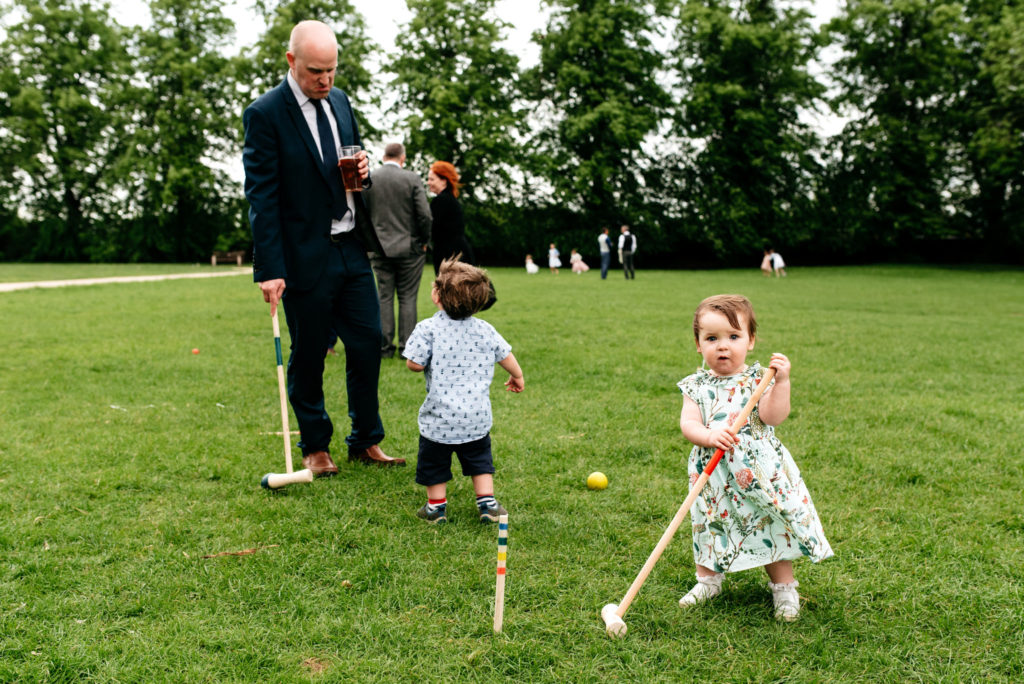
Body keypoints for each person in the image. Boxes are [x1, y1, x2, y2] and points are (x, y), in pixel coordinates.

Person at [243, 20, 404, 474]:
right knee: (311, 351)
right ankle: (316, 445)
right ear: (291, 61)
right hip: (303, 256)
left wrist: (363, 171)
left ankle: (366, 440)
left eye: (332, 70)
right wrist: (269, 267)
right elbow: (262, 196)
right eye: (316, 71)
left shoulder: (340, 101)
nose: (326, 80)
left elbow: (348, 165)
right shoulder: (265, 114)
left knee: (369, 342)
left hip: (350, 246)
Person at [676, 294, 832, 621]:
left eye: (733, 337)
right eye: (712, 338)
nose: (723, 346)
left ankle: (784, 589)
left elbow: (773, 417)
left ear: (750, 341)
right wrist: (708, 436)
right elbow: (688, 423)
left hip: (758, 473)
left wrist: (782, 381)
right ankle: (708, 581)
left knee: (768, 524)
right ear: (698, 343)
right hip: (713, 475)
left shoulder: (758, 381)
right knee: (709, 524)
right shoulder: (696, 385)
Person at [403, 258, 524, 524]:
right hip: (476, 418)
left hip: (439, 419)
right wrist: (517, 375)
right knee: (480, 461)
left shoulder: (428, 328)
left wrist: (419, 360)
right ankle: (488, 504)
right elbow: (506, 355)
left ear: (437, 296)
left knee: (434, 464)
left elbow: (414, 364)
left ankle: (436, 508)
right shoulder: (485, 330)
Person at [365, 142, 433, 359]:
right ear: (402, 158)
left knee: (384, 297)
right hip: (409, 248)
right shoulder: (411, 178)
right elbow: (425, 215)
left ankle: (385, 348)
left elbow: (363, 214)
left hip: (378, 248)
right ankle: (407, 348)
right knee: (408, 298)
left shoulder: (370, 178)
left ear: (384, 156)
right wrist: (423, 240)